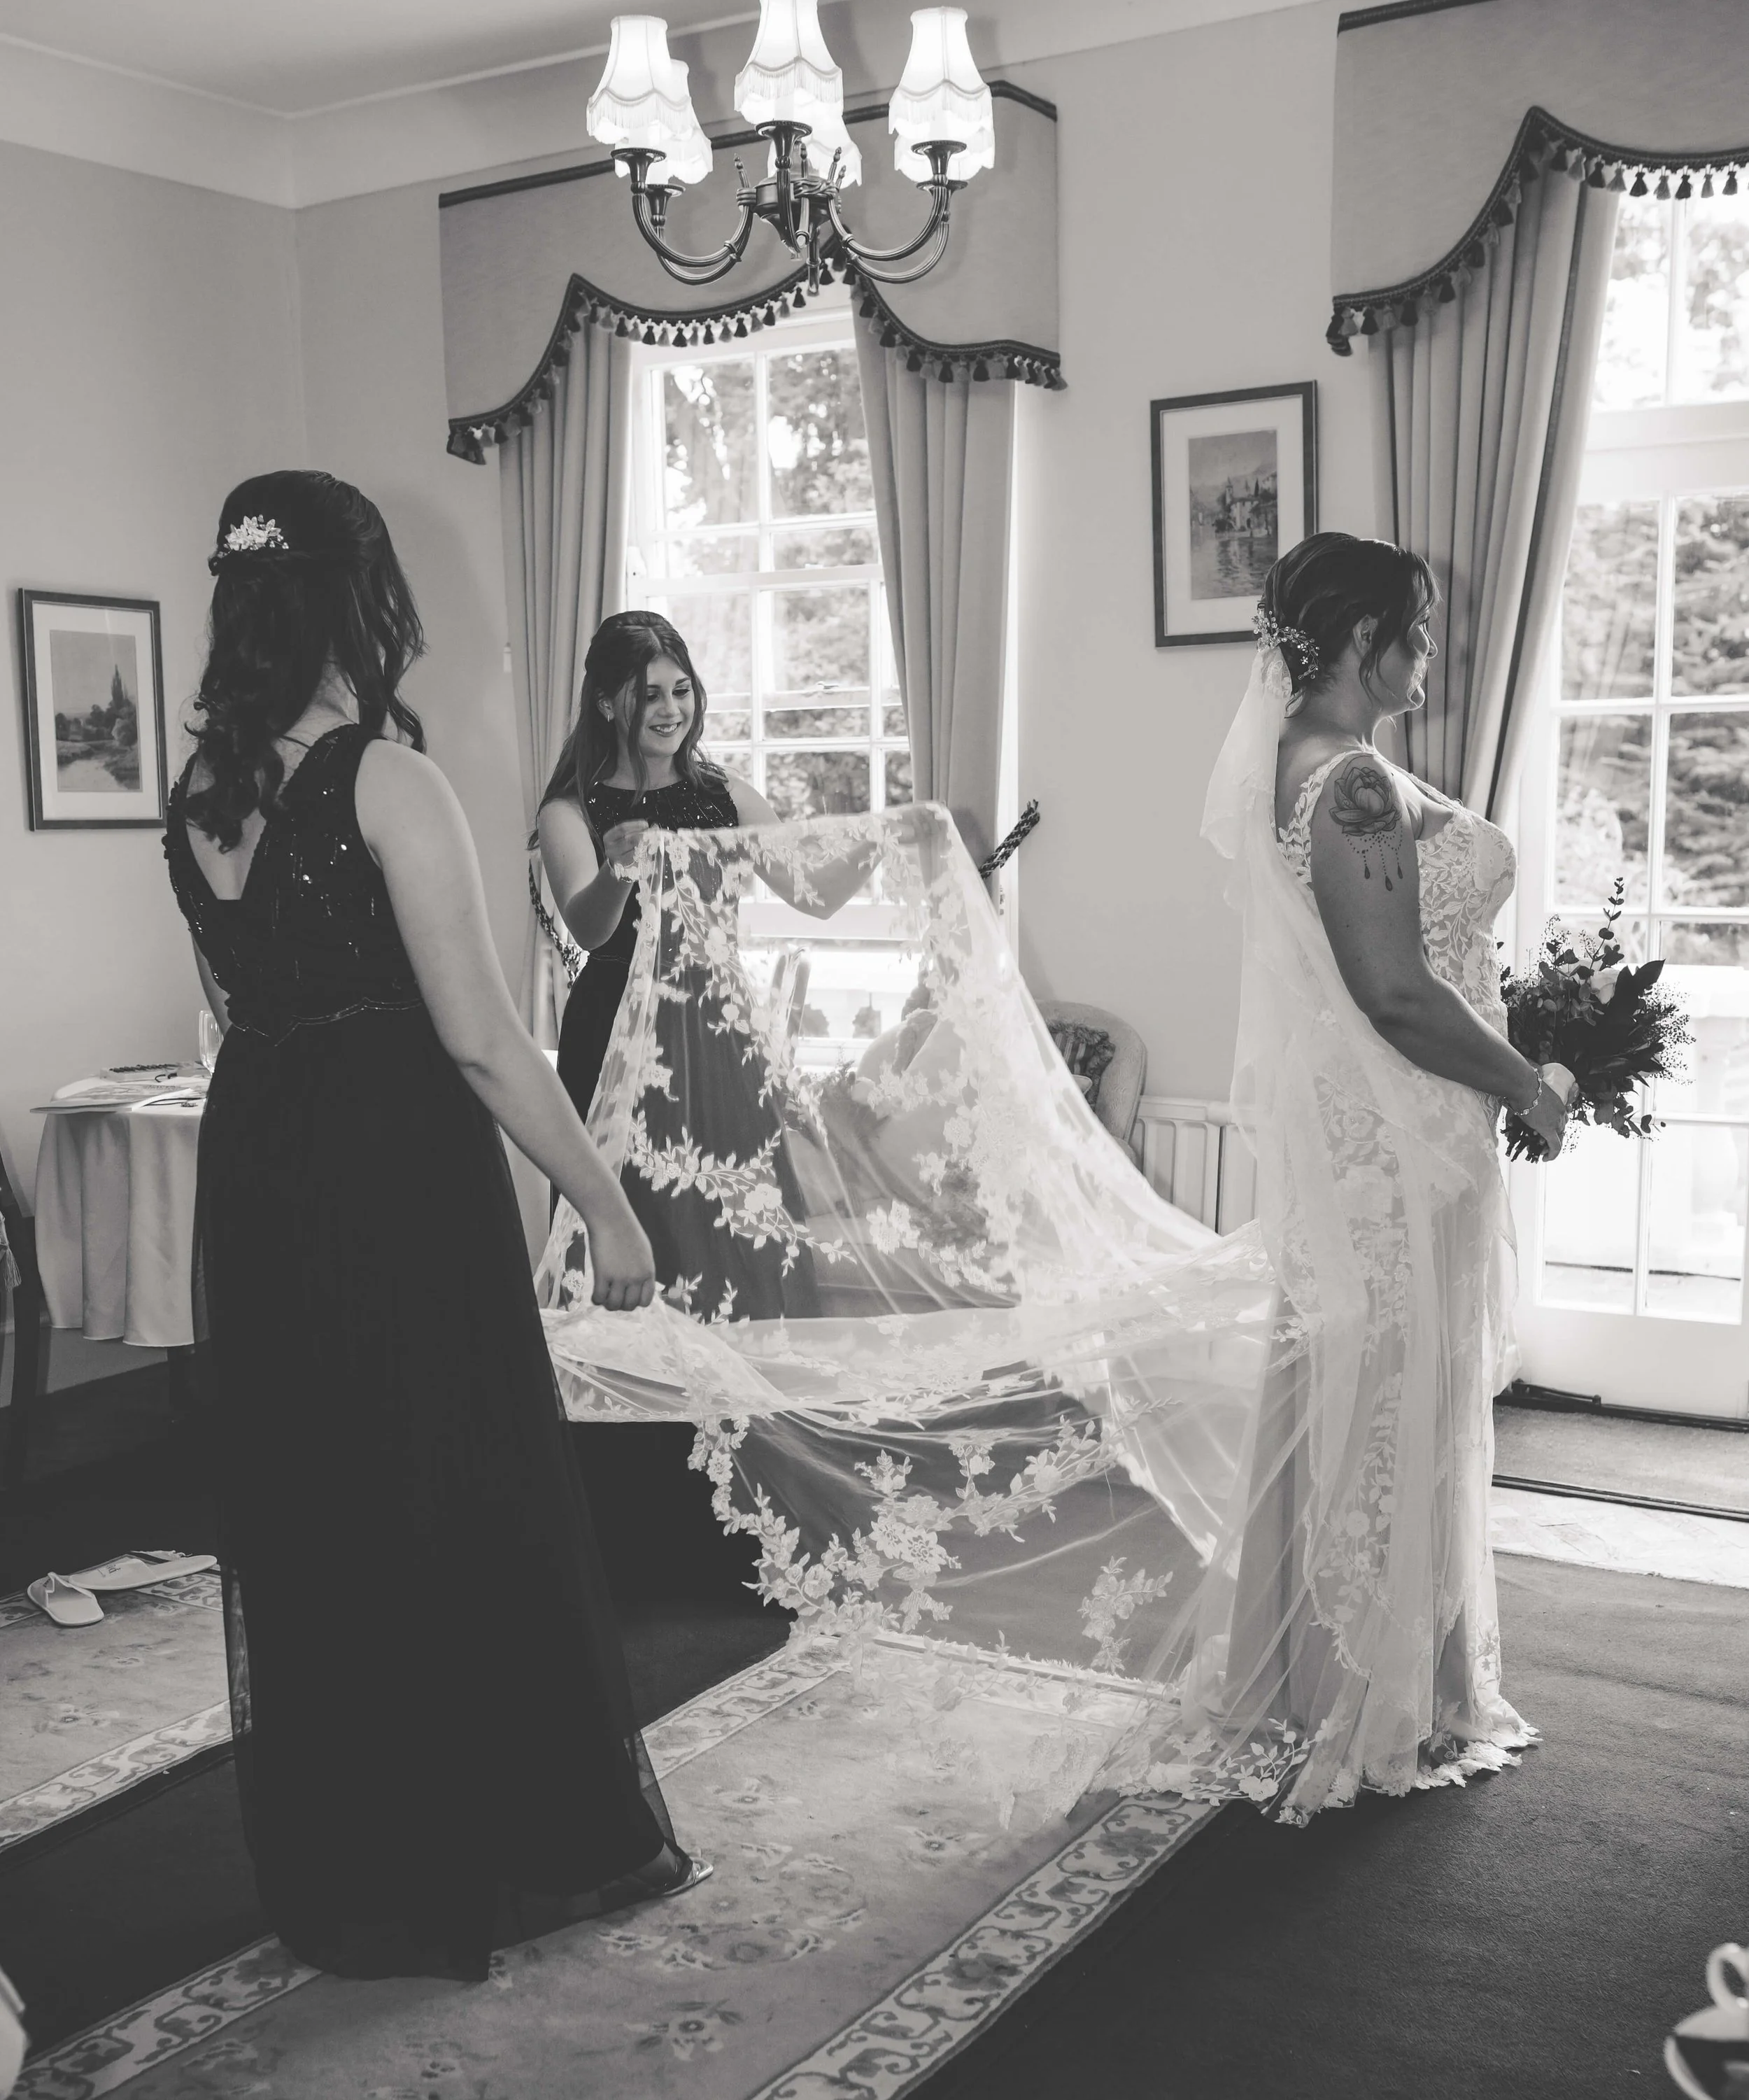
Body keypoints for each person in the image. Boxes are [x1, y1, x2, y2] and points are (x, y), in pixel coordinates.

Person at [163, 472, 705, 1983]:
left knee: (319, 1497)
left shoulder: (195, 797)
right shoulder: (385, 780)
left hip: (263, 1167)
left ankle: (356, 1860)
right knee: (452, 1483)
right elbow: (480, 1039)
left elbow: (232, 1013)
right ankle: (513, 1840)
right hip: (393, 1170)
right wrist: (603, 1202)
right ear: (362, 599)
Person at [1201, 530, 1565, 1819]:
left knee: (1386, 1393)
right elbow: (1397, 990)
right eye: (1414, 632)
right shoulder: (1347, 781)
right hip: (1392, 1142)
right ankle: (1365, 1694)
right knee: (1385, 1399)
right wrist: (1526, 1077)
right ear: (1361, 642)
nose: (1427, 654)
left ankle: (1355, 1676)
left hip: (1391, 1131)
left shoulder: (1314, 765)